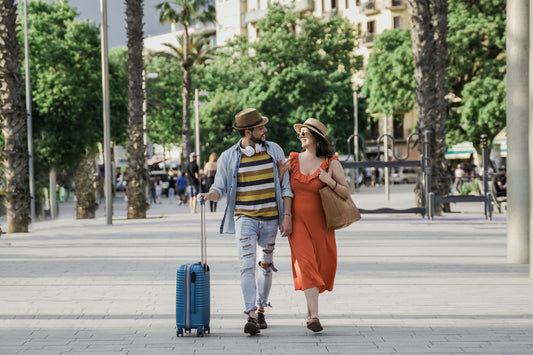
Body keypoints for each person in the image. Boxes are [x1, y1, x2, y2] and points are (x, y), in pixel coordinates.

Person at [197, 108, 293, 335]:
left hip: (271, 217)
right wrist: (208, 195)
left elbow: (286, 187)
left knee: (266, 266)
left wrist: (286, 216)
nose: (265, 130)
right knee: (246, 265)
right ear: (248, 132)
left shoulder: (275, 150)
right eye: (261, 128)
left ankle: (261, 309)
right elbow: (218, 187)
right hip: (244, 218)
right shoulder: (228, 157)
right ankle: (251, 314)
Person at [278, 118, 350, 332]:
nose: (300, 136)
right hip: (297, 222)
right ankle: (316, 315)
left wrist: (329, 181)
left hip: (323, 224)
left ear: (316, 138)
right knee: (306, 264)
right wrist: (287, 216)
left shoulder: (332, 162)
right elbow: (285, 191)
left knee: (321, 265)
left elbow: (346, 193)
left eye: (304, 133)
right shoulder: (291, 160)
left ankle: (310, 315)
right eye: (299, 133)